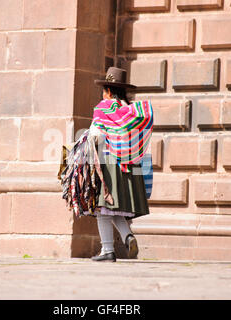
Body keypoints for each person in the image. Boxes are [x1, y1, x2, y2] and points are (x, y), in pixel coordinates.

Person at [84, 67, 152, 262]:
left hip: (109, 165)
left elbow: (96, 136)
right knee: (113, 209)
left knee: (102, 208)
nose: (102, 94)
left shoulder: (103, 108)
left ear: (109, 91)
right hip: (130, 166)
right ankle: (127, 236)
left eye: (104, 90)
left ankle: (107, 250)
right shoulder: (131, 111)